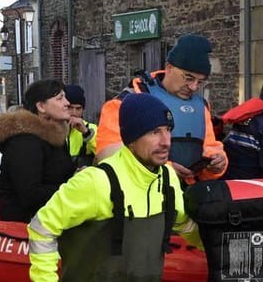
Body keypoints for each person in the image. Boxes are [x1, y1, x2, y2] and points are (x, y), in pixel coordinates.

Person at [28, 92, 201, 282]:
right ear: (131, 140)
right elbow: (42, 227)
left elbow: (186, 225)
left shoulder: (167, 178)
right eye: (154, 132)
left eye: (168, 130)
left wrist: (222, 250)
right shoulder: (97, 182)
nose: (166, 141)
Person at [96, 33, 227, 184]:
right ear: (169, 68)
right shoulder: (126, 102)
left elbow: (210, 146)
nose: (194, 87)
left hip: (187, 196)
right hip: (141, 195)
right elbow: (108, 156)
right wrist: (166, 169)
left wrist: (217, 162)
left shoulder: (200, 106)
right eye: (188, 78)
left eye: (200, 82)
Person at [0, 78, 81, 223]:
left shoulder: (56, 136)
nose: (67, 103)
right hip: (26, 229)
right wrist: (75, 188)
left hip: (52, 220)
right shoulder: (25, 142)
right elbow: (30, 195)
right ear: (41, 107)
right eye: (60, 98)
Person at [63, 83, 97, 165]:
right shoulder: (53, 128)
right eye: (70, 107)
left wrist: (86, 133)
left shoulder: (91, 128)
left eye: (78, 108)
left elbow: (105, 153)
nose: (74, 113)